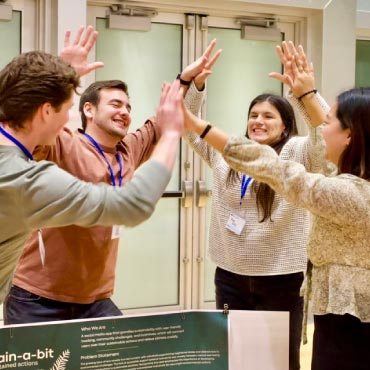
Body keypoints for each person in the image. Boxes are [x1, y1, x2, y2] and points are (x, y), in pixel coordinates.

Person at [3, 33, 220, 324]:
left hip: (96, 298)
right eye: (116, 104)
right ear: (87, 109)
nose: (125, 112)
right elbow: (134, 203)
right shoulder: (62, 144)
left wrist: (184, 81)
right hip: (39, 297)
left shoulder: (128, 149)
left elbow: (165, 119)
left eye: (128, 107)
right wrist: (61, 79)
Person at [183, 47, 370, 370]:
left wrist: (305, 96)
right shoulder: (228, 156)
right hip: (232, 274)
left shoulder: (300, 154)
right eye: (253, 115)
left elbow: (309, 147)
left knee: (280, 360)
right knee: (236, 357)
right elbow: (190, 131)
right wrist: (194, 89)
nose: (258, 121)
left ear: (285, 126)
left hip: (283, 279)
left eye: (268, 116)